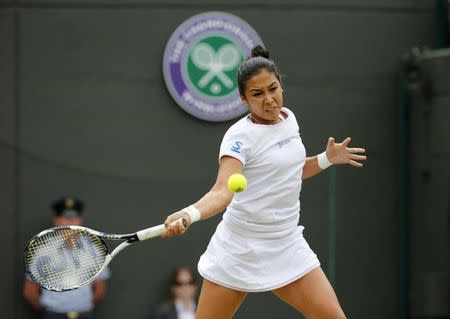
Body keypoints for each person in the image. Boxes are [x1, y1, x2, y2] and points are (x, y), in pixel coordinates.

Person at [162, 45, 367, 319]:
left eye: (273, 88)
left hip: (286, 243)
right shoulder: (238, 137)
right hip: (239, 248)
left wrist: (326, 159)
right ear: (244, 99)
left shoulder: (289, 119)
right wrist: (189, 214)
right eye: (257, 94)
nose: (269, 99)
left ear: (280, 84)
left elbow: (289, 172)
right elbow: (222, 192)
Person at [23, 196, 111, 319]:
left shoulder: (94, 251)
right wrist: (50, 310)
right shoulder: (42, 252)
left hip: (85, 314)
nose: (70, 223)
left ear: (80, 221)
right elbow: (30, 291)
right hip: (53, 315)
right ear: (56, 221)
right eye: (66, 218)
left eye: (74, 218)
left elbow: (100, 288)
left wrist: (83, 305)